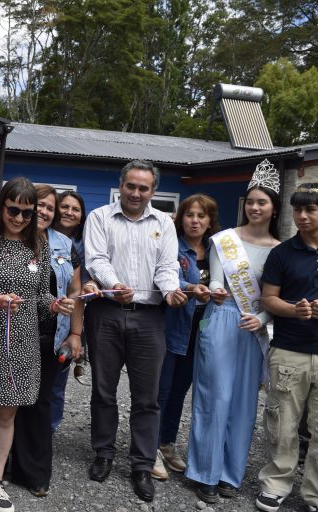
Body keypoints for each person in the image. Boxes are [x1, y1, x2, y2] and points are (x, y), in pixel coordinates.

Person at [0, 177, 75, 512]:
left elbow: (39, 296)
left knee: (7, 415)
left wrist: (54, 304)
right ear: (1, 207)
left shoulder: (38, 246)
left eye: (26, 212)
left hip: (23, 341)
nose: (19, 218)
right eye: (13, 210)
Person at [83, 160, 186, 502]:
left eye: (144, 188)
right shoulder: (99, 217)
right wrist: (114, 285)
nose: (136, 193)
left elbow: (167, 266)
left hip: (150, 318)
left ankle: (142, 464)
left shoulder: (164, 224)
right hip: (107, 313)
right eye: (131, 186)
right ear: (121, 185)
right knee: (103, 391)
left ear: (153, 191)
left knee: (147, 398)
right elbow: (95, 259)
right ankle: (104, 453)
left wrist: (171, 290)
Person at [185, 159, 281, 503]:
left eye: (262, 202)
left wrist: (265, 321)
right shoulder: (223, 241)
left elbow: (274, 298)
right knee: (214, 397)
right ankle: (204, 472)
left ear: (273, 208)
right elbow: (215, 280)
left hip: (253, 328)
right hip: (222, 318)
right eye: (251, 201)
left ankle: (230, 473)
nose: (255, 208)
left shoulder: (279, 249)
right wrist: (215, 289)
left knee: (243, 403)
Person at [9, 184, 84, 498]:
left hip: (50, 336)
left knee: (40, 404)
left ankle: (34, 472)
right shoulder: (7, 240)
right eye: (39, 205)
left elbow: (76, 293)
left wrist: (76, 333)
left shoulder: (65, 244)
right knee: (5, 401)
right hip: (10, 334)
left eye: (49, 208)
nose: (43, 212)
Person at [253, 182, 318, 512]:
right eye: (297, 209)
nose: (302, 215)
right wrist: (295, 309)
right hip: (289, 350)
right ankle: (276, 484)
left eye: (311, 209)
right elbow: (268, 298)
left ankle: (316, 495)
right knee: (282, 424)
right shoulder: (281, 253)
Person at [152, 194, 218, 481]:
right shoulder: (172, 246)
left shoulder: (216, 249)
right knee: (161, 391)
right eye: (190, 215)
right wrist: (191, 287)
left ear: (209, 221)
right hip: (172, 326)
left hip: (202, 330)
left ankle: (167, 443)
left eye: (201, 216)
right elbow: (163, 275)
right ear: (180, 218)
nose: (195, 220)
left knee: (180, 391)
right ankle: (149, 446)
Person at [51, 190, 88, 429]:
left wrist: (77, 333)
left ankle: (49, 428)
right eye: (64, 206)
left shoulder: (83, 247)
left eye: (75, 209)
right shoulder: (39, 237)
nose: (69, 212)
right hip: (41, 315)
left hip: (73, 315)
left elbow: (80, 291)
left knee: (57, 381)